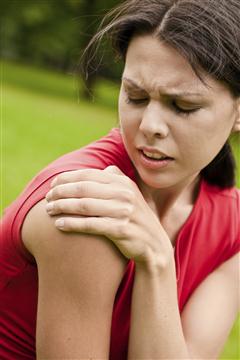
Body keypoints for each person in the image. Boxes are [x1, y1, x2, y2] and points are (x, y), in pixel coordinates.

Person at [1, 0, 240, 359]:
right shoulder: (87, 208)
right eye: (136, 96)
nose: (149, 127)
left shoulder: (230, 224)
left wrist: (157, 261)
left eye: (183, 106)